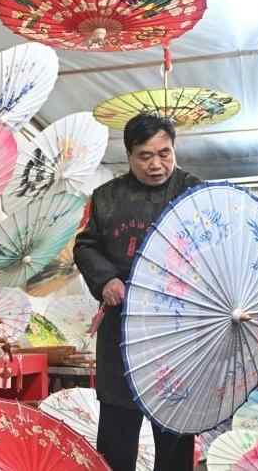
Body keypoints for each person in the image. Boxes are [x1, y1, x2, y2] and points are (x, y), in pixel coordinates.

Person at [73, 114, 200, 471]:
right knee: (117, 433)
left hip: (177, 330)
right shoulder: (106, 197)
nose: (156, 164)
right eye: (145, 156)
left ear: (173, 149)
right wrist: (106, 280)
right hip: (123, 328)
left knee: (175, 433)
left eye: (164, 153)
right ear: (128, 155)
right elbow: (85, 246)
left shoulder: (194, 192)